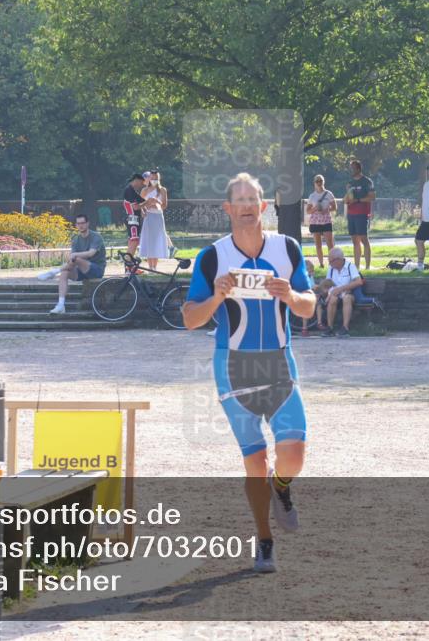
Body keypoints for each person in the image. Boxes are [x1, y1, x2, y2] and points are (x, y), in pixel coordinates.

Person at [182, 172, 316, 574]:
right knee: (255, 460)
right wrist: (217, 296)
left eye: (251, 199)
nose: (245, 206)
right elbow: (190, 319)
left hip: (278, 362)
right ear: (227, 208)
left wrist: (290, 295)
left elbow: (309, 306)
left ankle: (282, 485)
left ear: (263, 206)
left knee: (293, 454)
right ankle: (264, 539)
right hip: (233, 366)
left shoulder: (287, 249)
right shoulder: (212, 257)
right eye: (237, 200)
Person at [39, 214, 105, 314]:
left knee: (76, 259)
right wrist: (73, 257)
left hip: (96, 270)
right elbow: (72, 259)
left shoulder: (96, 236)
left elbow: (90, 253)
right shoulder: (76, 239)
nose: (81, 225)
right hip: (81, 269)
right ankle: (61, 305)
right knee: (64, 273)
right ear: (76, 225)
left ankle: (54, 271)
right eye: (78, 223)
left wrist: (74, 255)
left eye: (83, 223)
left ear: (87, 223)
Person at [319, 247, 364, 337]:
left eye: (331, 261)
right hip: (335, 294)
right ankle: (330, 328)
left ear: (338, 260)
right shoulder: (331, 269)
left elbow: (359, 282)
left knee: (346, 298)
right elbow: (328, 283)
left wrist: (341, 289)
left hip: (349, 293)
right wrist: (325, 290)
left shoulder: (350, 266)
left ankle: (345, 328)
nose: (329, 263)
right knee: (333, 299)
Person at [344, 160, 375, 270]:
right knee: (354, 241)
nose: (350, 170)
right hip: (351, 214)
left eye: (352, 168)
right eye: (350, 168)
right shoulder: (350, 183)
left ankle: (367, 266)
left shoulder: (367, 181)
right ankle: (356, 266)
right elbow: (347, 198)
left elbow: (372, 197)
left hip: (362, 213)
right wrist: (347, 199)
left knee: (364, 239)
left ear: (358, 169)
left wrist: (357, 200)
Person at [138, 170, 170, 270]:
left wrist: (157, 202)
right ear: (149, 178)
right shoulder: (144, 190)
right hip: (148, 216)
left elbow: (164, 205)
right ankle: (149, 267)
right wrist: (145, 208)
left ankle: (154, 267)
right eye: (152, 178)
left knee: (156, 241)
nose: (154, 180)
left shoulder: (162, 190)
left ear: (159, 179)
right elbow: (139, 205)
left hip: (158, 217)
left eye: (156, 178)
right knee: (149, 241)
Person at [305, 175, 335, 268]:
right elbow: (308, 211)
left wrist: (326, 210)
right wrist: (315, 208)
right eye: (317, 181)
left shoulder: (328, 194)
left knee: (330, 244)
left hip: (326, 220)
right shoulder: (312, 196)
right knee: (318, 244)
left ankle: (332, 263)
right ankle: (321, 264)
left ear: (323, 182)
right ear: (314, 183)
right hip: (315, 222)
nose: (319, 183)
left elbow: (334, 207)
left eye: (320, 180)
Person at [122, 173, 146, 257]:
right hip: (132, 218)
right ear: (136, 180)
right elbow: (135, 207)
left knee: (132, 240)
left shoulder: (133, 191)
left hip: (134, 219)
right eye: (141, 183)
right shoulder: (129, 190)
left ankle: (129, 260)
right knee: (134, 240)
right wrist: (148, 202)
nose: (141, 185)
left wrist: (146, 204)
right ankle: (128, 260)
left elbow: (142, 201)